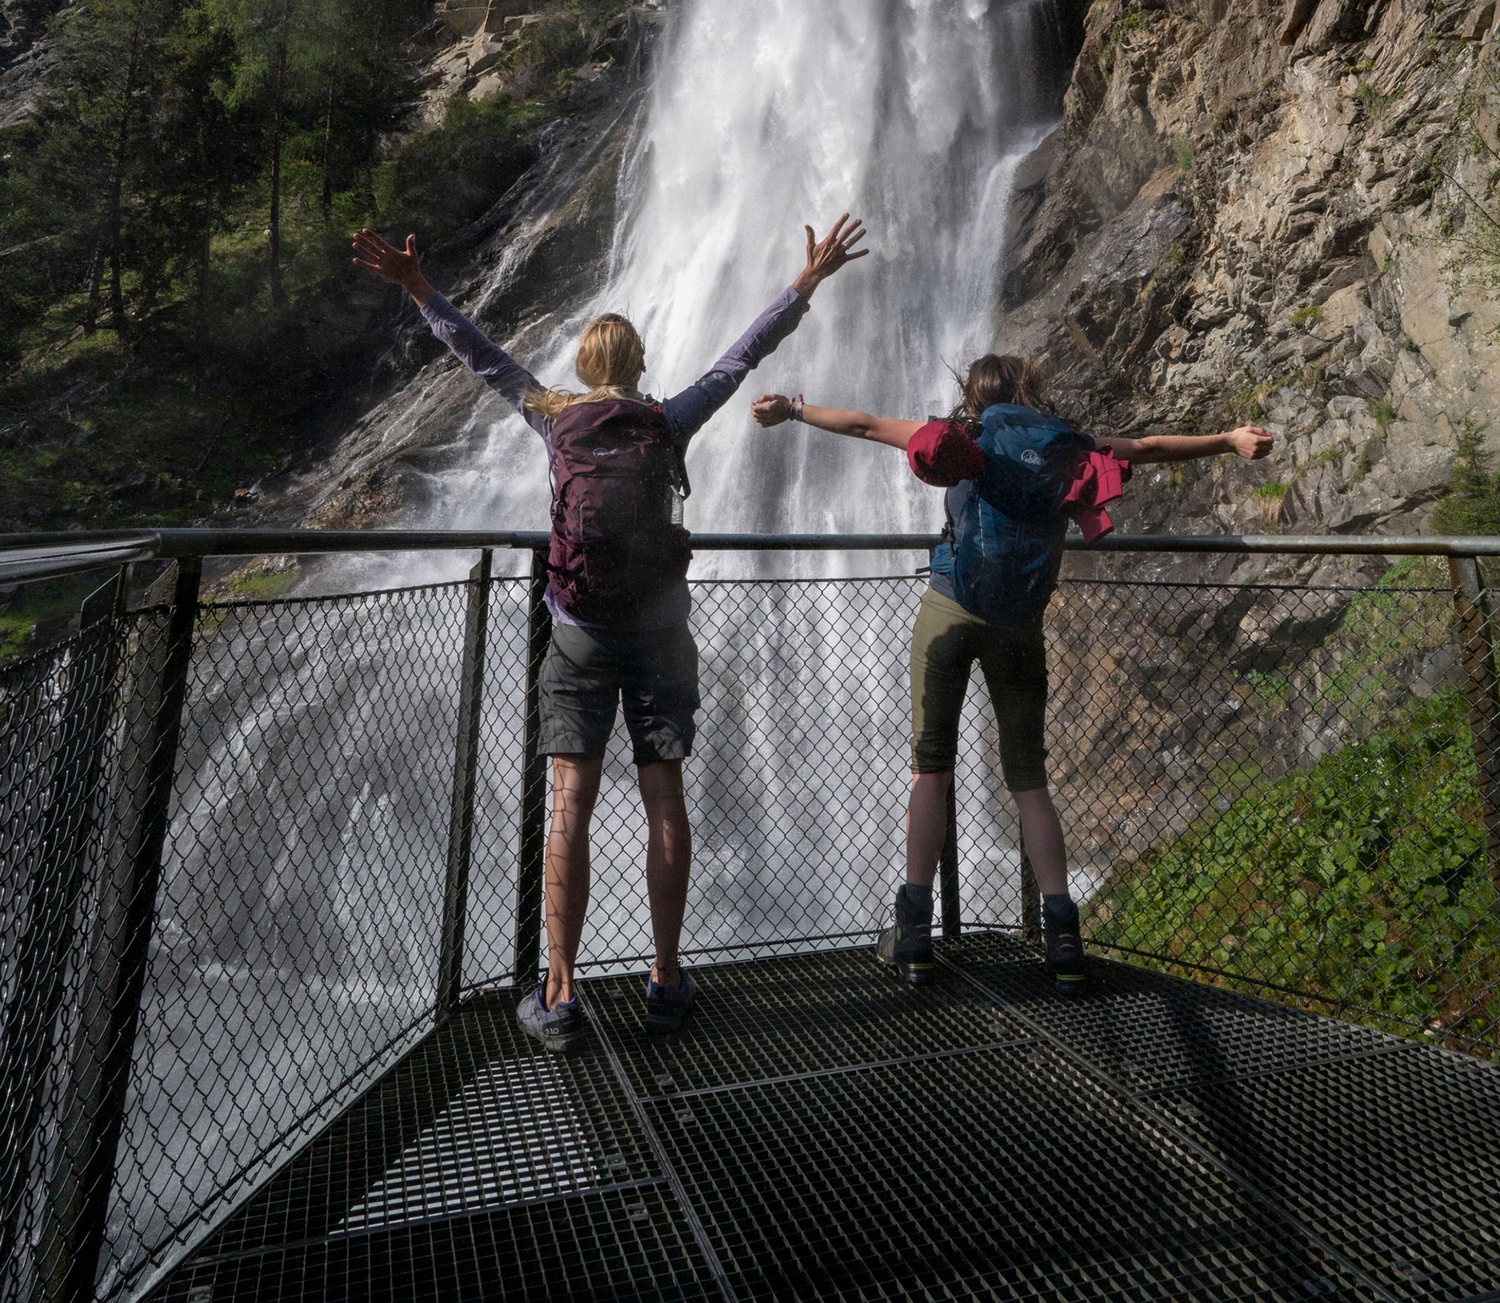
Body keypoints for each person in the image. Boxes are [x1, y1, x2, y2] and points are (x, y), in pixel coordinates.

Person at [352, 213, 868, 1047]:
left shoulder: (555, 418)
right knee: (666, 798)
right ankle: (666, 979)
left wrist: (420, 292)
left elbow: (483, 359)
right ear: (637, 369)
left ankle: (559, 994)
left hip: (579, 631)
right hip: (662, 629)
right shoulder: (668, 419)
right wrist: (804, 284)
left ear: (585, 368)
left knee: (570, 805)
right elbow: (743, 356)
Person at [752, 354, 1273, 994]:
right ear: (1031, 390)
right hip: (1019, 622)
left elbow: (862, 425)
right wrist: (1228, 439)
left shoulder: (962, 438)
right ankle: (1063, 941)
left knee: (931, 767)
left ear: (975, 395)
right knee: (1029, 779)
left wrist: (795, 409)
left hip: (951, 606)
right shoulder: (1066, 447)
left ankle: (914, 936)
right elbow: (1150, 445)